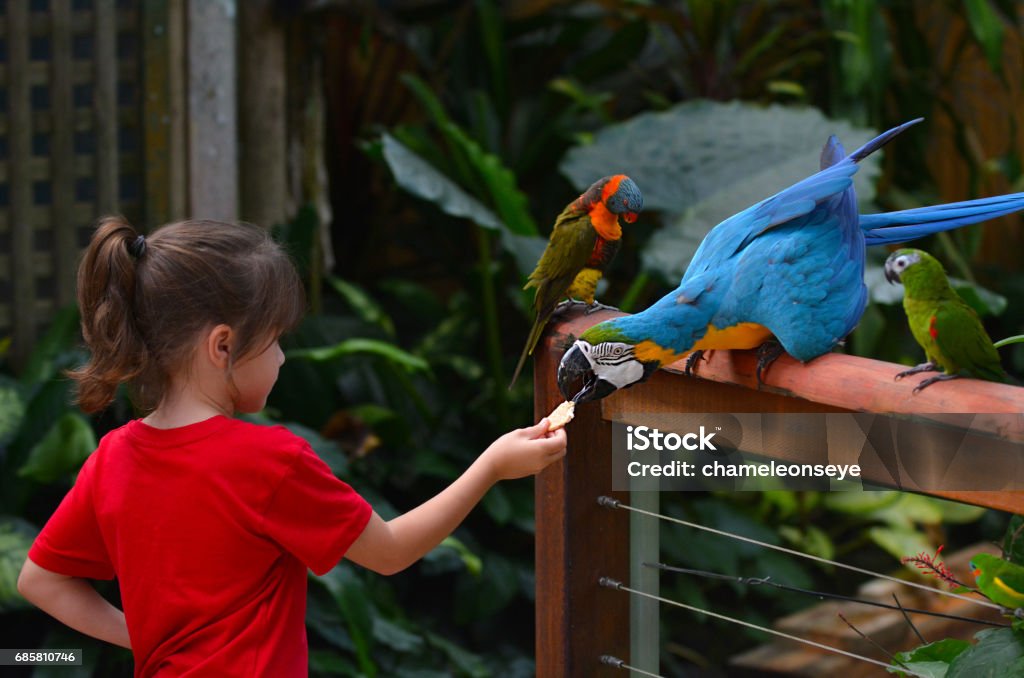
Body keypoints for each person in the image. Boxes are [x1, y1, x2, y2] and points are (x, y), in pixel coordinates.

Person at [17, 217, 567, 676]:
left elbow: (40, 579)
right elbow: (390, 551)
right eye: (276, 339)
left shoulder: (111, 458)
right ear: (223, 345)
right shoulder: (268, 463)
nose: (281, 358)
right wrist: (492, 466)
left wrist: (148, 639)